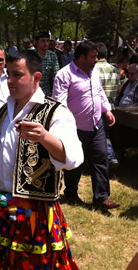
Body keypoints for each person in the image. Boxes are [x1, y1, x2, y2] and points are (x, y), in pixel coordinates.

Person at [0, 50, 83, 269]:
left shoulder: (56, 113)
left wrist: (45, 137)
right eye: (8, 74)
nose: (9, 80)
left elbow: (73, 159)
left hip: (34, 214)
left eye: (17, 75)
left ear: (36, 77)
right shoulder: (5, 110)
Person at [52, 41, 120, 210]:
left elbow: (100, 92)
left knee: (101, 158)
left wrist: (107, 110)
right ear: (82, 57)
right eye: (93, 56)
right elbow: (59, 102)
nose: (96, 59)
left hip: (96, 124)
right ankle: (72, 193)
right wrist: (66, 125)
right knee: (76, 162)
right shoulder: (64, 75)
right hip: (75, 128)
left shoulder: (94, 72)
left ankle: (101, 197)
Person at [95, 42, 121, 169]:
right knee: (105, 134)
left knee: (101, 135)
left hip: (100, 107)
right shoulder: (114, 69)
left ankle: (110, 158)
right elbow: (118, 88)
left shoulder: (94, 69)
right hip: (111, 106)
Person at [35, 32, 60, 97]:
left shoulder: (52, 56)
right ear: (36, 42)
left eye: (47, 41)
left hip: (46, 93)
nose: (46, 43)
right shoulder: (29, 55)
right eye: (43, 41)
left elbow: (56, 76)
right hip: (31, 92)